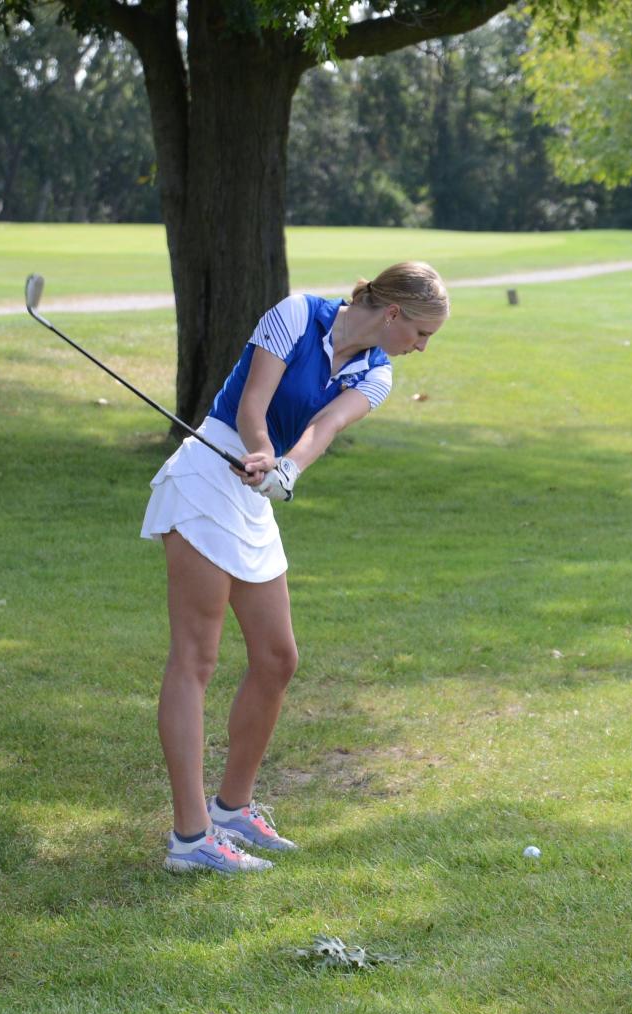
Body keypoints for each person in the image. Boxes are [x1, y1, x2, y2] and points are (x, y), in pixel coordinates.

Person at [141, 262, 450, 874]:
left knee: (278, 657)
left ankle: (232, 808)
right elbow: (253, 403)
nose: (421, 347)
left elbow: (322, 429)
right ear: (393, 314)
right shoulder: (296, 315)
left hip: (252, 497)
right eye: (421, 333)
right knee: (195, 659)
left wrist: (287, 469)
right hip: (207, 476)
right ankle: (191, 839)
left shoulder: (376, 373)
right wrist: (260, 452)